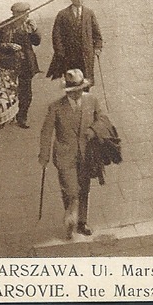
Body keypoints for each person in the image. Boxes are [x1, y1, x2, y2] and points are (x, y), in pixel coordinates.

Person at [39, 69, 110, 239]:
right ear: (68, 92)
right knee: (71, 191)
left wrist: (94, 130)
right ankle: (70, 218)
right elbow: (46, 132)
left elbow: (103, 119)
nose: (78, 94)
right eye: (74, 92)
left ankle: (81, 222)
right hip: (64, 156)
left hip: (86, 155)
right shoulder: (55, 107)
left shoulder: (91, 101)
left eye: (80, 90)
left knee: (84, 189)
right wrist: (44, 155)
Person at [0, 1, 41, 128]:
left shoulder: (29, 26)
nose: (27, 16)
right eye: (24, 14)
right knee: (9, 91)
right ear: (15, 14)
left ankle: (22, 117)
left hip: (26, 64)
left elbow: (37, 42)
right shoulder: (4, 26)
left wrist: (35, 30)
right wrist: (9, 46)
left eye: (27, 13)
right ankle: (8, 116)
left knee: (26, 93)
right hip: (9, 63)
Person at [46, 0, 103, 87]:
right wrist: (61, 53)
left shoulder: (89, 13)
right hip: (70, 56)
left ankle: (85, 101)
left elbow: (97, 34)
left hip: (86, 55)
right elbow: (56, 36)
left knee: (85, 82)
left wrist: (98, 47)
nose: (79, 0)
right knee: (72, 82)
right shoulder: (62, 15)